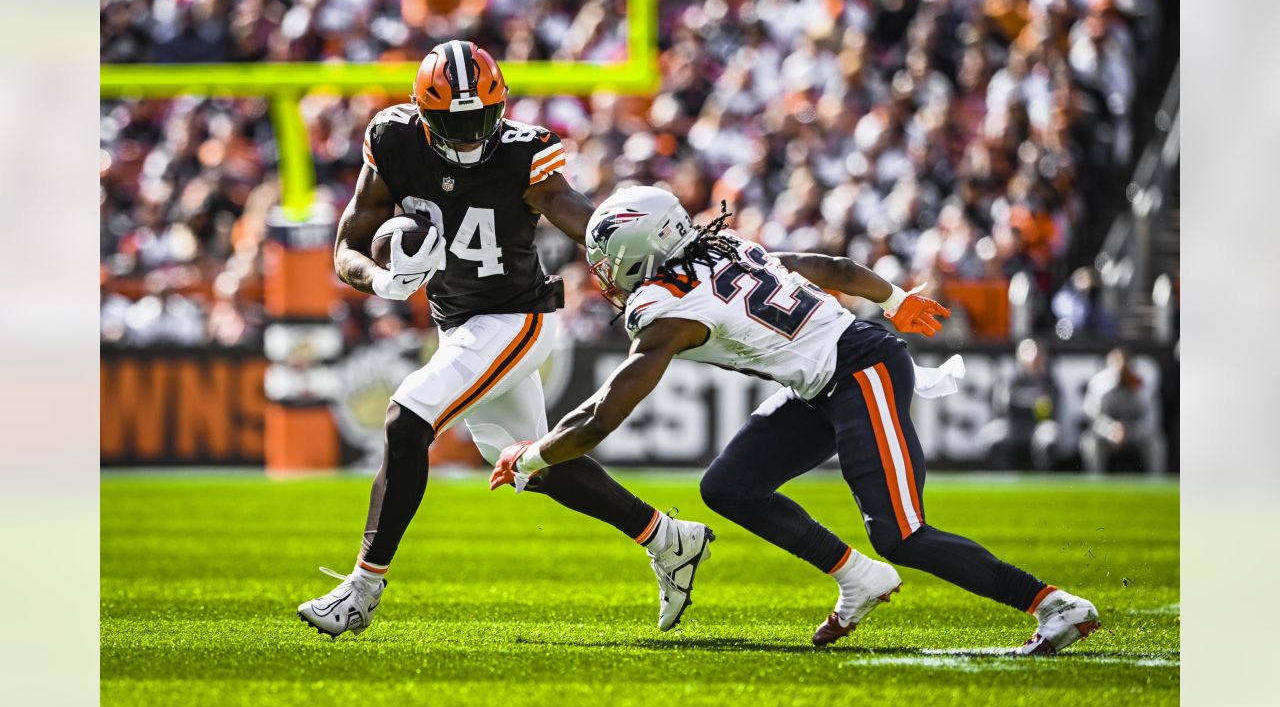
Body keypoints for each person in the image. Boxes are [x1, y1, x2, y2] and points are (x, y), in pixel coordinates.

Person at [491, 186, 1100, 654]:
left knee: (902, 534)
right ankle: (858, 578)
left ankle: (1052, 603)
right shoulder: (725, 246)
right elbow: (830, 267)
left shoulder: (666, 307)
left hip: (861, 371)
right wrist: (897, 300)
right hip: (826, 380)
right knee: (728, 487)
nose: (602, 272)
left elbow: (604, 415)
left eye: (607, 259)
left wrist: (536, 455)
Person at [298, 42, 711, 639]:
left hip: (517, 318)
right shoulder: (391, 138)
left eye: (480, 120)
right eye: (452, 122)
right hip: (459, 323)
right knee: (531, 463)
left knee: (405, 418)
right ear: (420, 113)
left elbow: (576, 214)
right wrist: (383, 279)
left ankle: (362, 589)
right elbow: (348, 248)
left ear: (502, 107)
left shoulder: (526, 153)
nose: (468, 136)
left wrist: (645, 251)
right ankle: (669, 538)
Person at [979, 338, 1061, 471]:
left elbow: (1049, 409)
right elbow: (1006, 406)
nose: (1033, 358)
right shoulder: (1010, 381)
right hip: (1013, 425)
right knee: (992, 436)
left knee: (1048, 438)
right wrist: (1033, 404)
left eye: (1037, 354)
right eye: (1028, 353)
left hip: (1038, 426)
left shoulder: (1049, 382)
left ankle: (1044, 482)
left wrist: (1022, 403)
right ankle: (1003, 481)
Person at [1080, 348, 1166, 474]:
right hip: (1107, 435)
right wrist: (1111, 430)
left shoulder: (1142, 386)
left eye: (1125, 365)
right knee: (1090, 441)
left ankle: (1157, 484)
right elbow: (1093, 418)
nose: (1121, 370)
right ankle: (1095, 483)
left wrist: (1127, 430)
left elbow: (1150, 421)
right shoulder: (1099, 385)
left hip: (1135, 434)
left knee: (1156, 442)